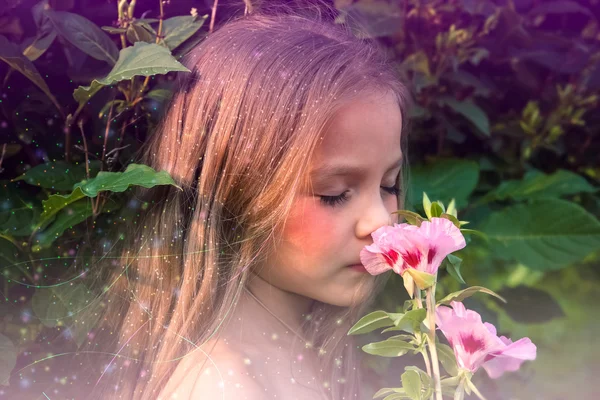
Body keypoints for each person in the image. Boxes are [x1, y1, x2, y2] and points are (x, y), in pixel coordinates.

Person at [76, 2, 412, 400]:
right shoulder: (225, 386)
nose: (380, 222)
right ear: (235, 191)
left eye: (389, 186)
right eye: (334, 195)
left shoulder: (297, 352)